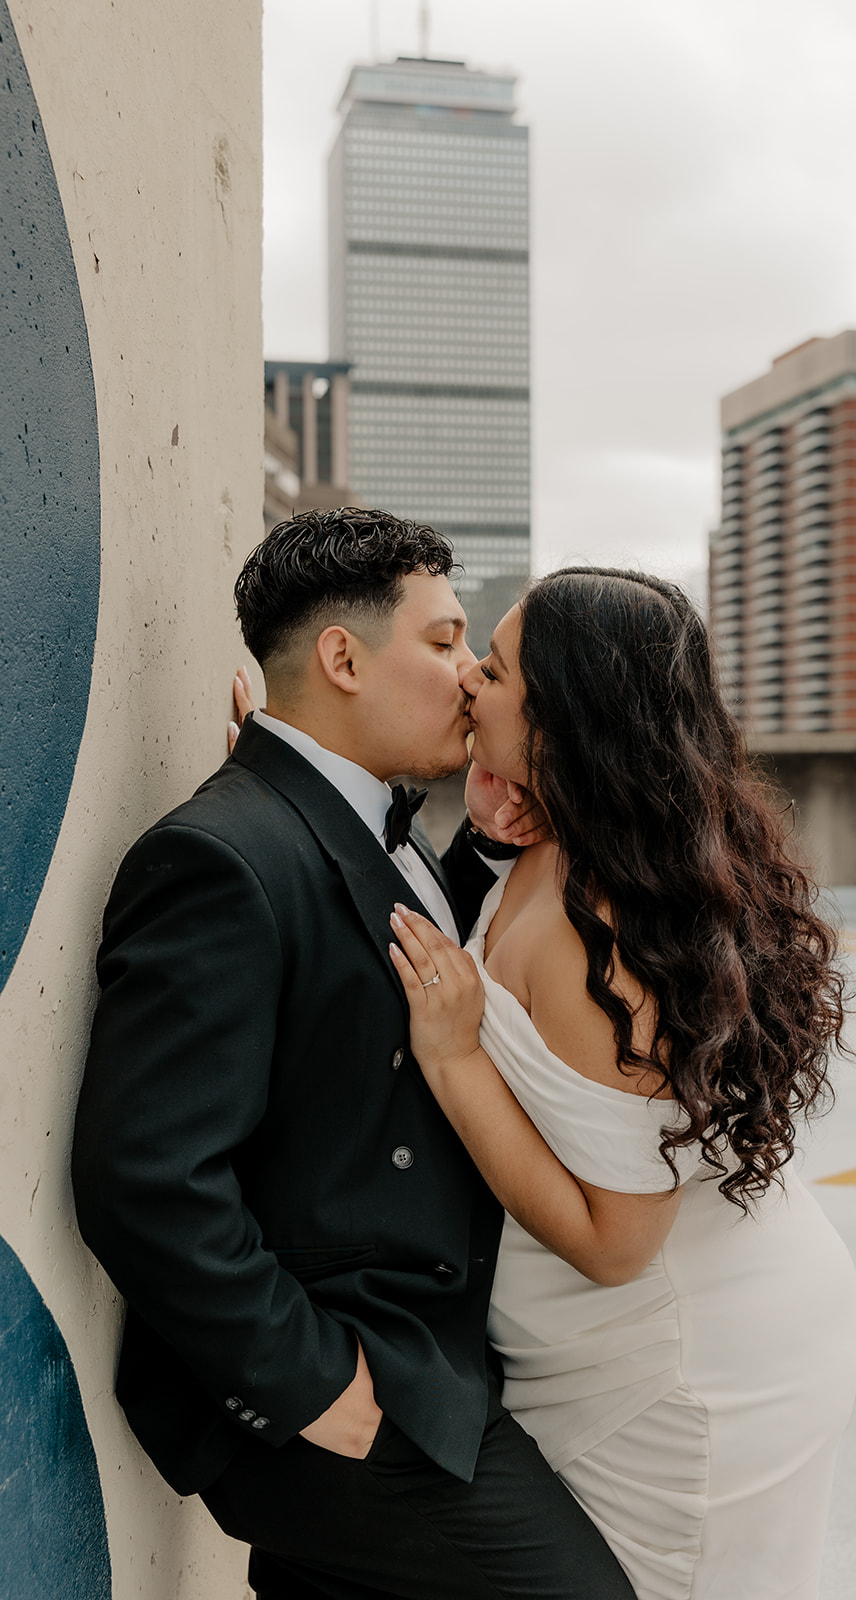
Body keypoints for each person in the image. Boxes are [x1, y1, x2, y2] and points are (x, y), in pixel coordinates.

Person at [71, 510, 637, 1600]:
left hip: (418, 1355)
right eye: (442, 641)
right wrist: (314, 1385)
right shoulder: (222, 858)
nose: (470, 675)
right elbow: (143, 1177)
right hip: (335, 1382)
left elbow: (392, 958)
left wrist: (480, 840)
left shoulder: (364, 822)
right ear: (341, 657)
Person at [385, 568, 856, 1600]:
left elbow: (614, 1241)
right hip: (651, 1321)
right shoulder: (564, 840)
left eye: (497, 668)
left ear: (562, 717)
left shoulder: (598, 933)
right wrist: (490, 808)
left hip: (680, 1362)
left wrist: (454, 1056)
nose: (469, 678)